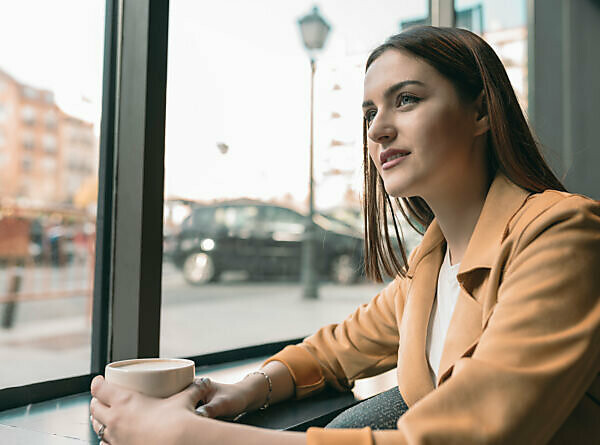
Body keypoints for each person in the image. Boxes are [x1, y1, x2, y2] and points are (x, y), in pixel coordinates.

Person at [89, 26, 600, 444]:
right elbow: (334, 349)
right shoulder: (433, 260)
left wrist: (185, 436)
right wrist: (244, 390)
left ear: (482, 112)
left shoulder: (562, 235)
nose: (377, 130)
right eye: (370, 112)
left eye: (406, 99)